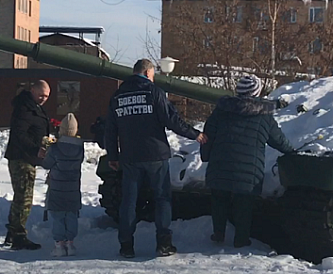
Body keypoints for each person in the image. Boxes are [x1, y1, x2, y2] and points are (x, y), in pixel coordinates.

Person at [105, 59, 207, 258]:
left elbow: (111, 129)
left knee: (129, 201)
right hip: (155, 155)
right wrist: (195, 134)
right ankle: (164, 244)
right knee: (161, 198)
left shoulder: (117, 96)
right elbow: (172, 120)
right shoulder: (154, 93)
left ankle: (126, 245)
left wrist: (113, 155)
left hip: (130, 156)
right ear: (147, 72)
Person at [200, 75, 294, 248]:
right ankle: (241, 239)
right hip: (248, 172)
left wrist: (205, 156)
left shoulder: (221, 110)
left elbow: (208, 135)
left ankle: (218, 234)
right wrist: (293, 151)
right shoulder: (264, 116)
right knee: (244, 205)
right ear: (257, 92)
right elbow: (278, 140)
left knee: (219, 200)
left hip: (220, 166)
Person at [3, 79, 51, 250]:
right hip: (22, 158)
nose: (43, 98)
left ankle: (13, 232)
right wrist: (35, 148)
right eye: (41, 95)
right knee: (24, 198)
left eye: (46, 96)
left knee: (21, 196)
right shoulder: (24, 109)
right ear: (32, 90)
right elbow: (19, 135)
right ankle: (19, 236)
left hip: (27, 157)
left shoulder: (33, 107)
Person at [42, 113, 84, 257]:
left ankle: (59, 244)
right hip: (73, 188)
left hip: (57, 187)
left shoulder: (55, 148)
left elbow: (46, 164)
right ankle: (71, 243)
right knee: (71, 214)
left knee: (58, 215)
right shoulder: (80, 149)